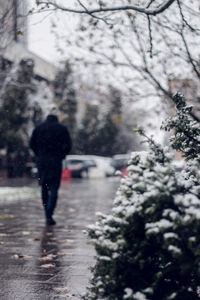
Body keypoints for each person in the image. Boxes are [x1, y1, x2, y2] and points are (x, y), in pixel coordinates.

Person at [30, 114, 72, 225]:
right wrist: (61, 155)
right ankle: (49, 213)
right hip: (56, 162)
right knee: (54, 189)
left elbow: (32, 144)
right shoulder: (62, 129)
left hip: (42, 163)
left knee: (44, 187)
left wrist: (39, 154)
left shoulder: (38, 128)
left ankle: (46, 213)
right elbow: (68, 146)